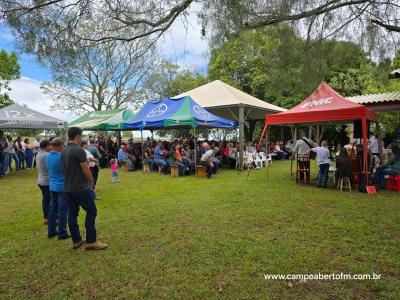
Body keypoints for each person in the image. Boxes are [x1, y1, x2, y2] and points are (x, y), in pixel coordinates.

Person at [62, 127, 107, 250]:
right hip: (80, 187)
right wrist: (91, 180)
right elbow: (85, 168)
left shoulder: (64, 151)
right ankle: (91, 241)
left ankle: (76, 240)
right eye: (81, 136)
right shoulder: (79, 150)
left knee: (72, 213)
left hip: (67, 187)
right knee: (92, 211)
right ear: (77, 137)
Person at [45, 138, 70, 240]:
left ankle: (51, 231)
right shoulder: (62, 157)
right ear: (60, 145)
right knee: (62, 210)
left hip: (52, 185)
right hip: (62, 186)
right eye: (63, 145)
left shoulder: (48, 156)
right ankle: (62, 232)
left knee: (52, 209)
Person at [36, 140, 52, 224]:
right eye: (50, 145)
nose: (51, 147)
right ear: (46, 146)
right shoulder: (47, 155)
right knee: (49, 200)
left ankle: (46, 217)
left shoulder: (39, 153)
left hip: (41, 180)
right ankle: (48, 217)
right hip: (46, 181)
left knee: (46, 199)